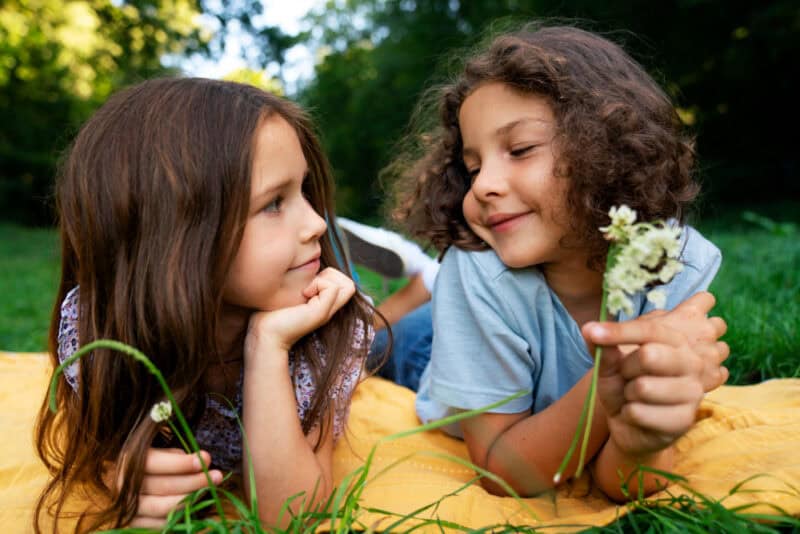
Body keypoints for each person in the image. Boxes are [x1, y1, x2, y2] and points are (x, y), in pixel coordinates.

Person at [386, 23, 730, 501]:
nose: (483, 184)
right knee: (382, 344)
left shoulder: (671, 261)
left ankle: (424, 285)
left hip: (517, 347)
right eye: (473, 167)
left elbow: (626, 483)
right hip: (429, 352)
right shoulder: (480, 268)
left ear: (605, 149)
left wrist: (640, 436)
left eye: (520, 149)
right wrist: (610, 381)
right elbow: (503, 473)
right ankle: (393, 306)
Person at [35, 77, 375, 531]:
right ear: (174, 236)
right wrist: (116, 469)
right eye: (274, 202)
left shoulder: (324, 330)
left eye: (304, 191)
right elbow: (99, 443)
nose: (316, 222)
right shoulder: (105, 329)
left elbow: (294, 516)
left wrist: (267, 345)